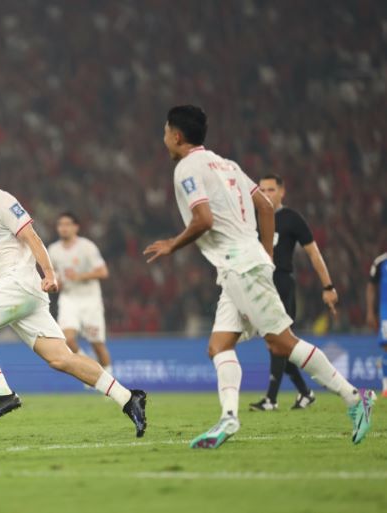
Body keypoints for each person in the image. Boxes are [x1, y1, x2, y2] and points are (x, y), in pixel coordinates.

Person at [143, 105, 374, 448]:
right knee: (219, 346)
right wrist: (265, 253)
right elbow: (265, 207)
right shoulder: (227, 164)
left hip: (241, 266)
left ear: (177, 136)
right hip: (240, 265)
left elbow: (203, 219)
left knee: (282, 342)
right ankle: (228, 418)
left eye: (165, 132)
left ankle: (355, 397)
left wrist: (172, 245)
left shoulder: (186, 169)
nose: (163, 139)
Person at [0, 149, 146, 435]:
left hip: (19, 283)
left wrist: (49, 274)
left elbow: (31, 236)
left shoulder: (0, 200)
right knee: (60, 358)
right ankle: (128, 398)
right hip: (19, 293)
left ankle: (3, 393)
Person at [249, 174, 338, 411]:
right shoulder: (252, 218)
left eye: (270, 190)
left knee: (278, 341)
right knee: (277, 343)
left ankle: (271, 399)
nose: (266, 194)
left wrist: (328, 286)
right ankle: (305, 392)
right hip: (259, 285)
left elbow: (314, 253)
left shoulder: (291, 218)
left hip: (281, 283)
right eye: (262, 190)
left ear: (282, 191)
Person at [47, 212, 113, 376]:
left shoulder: (87, 247)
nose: (63, 228)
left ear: (76, 227)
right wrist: (56, 283)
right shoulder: (53, 250)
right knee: (66, 339)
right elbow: (53, 275)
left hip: (90, 300)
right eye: (60, 225)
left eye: (67, 224)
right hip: (69, 299)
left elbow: (103, 272)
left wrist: (80, 276)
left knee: (97, 344)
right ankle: (88, 368)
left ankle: (109, 378)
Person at [366, 252, 387, 397]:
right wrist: (370, 311)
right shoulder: (380, 262)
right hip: (386, 310)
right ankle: (386, 386)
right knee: (386, 346)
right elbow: (371, 286)